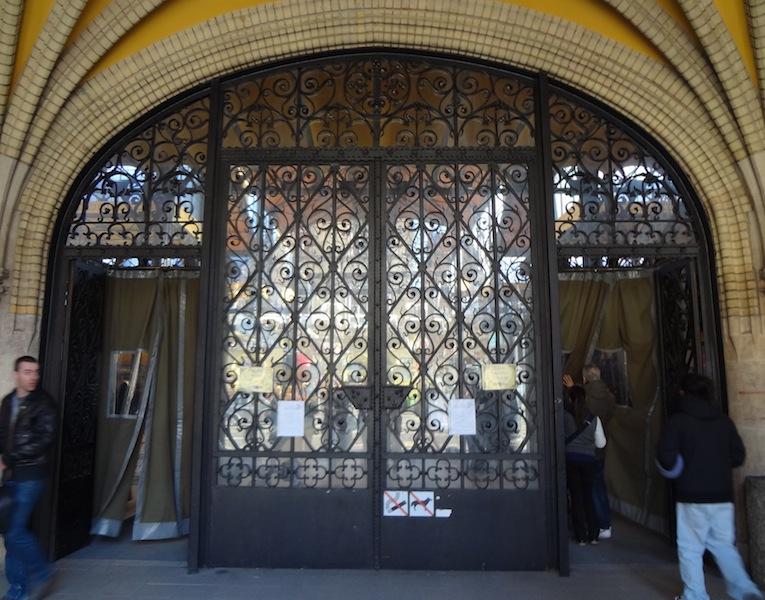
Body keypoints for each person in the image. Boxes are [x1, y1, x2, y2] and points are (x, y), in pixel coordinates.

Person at [657, 373, 763, 600]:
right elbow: (738, 456)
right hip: (722, 495)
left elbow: (666, 457)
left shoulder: (678, 421)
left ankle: (695, 595)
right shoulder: (724, 421)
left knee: (690, 548)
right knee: (724, 546)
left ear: (683, 393)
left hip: (691, 495)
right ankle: (745, 589)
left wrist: (681, 468)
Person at [0, 356, 56, 600]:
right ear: (16, 375)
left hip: (32, 474)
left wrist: (10, 457)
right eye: (27, 371)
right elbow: (3, 434)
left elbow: (44, 440)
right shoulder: (7, 402)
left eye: (36, 372)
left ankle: (43, 573)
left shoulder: (44, 403)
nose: (33, 376)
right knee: (10, 533)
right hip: (11, 475)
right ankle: (18, 589)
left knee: (15, 531)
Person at [563, 364, 616, 539]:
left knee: (580, 491)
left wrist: (572, 390)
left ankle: (584, 527)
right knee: (598, 487)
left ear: (585, 378)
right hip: (598, 448)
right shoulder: (609, 397)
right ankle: (603, 524)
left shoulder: (584, 396)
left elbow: (578, 411)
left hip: (579, 450)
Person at [564, 385, 607, 545]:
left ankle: (581, 536)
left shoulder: (565, 416)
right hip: (588, 460)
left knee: (576, 497)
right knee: (589, 496)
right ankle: (593, 535)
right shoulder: (594, 419)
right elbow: (601, 443)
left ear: (570, 399)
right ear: (586, 398)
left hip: (570, 459)